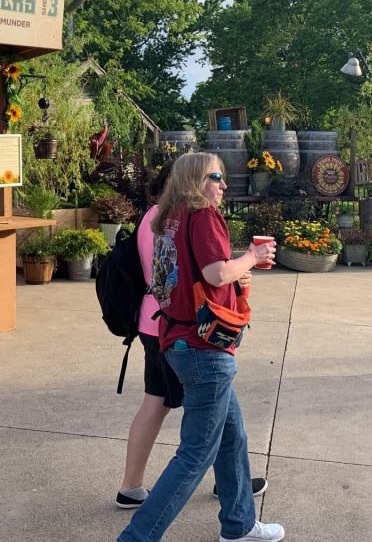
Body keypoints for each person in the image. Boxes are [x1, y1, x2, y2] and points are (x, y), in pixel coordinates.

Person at [118, 153, 285, 542]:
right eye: (217, 176)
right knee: (195, 455)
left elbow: (176, 281)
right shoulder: (204, 214)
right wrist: (252, 257)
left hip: (175, 338)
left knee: (233, 438)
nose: (223, 184)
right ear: (196, 179)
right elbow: (215, 272)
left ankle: (240, 525)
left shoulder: (166, 218)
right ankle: (136, 537)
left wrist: (232, 276)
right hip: (204, 346)